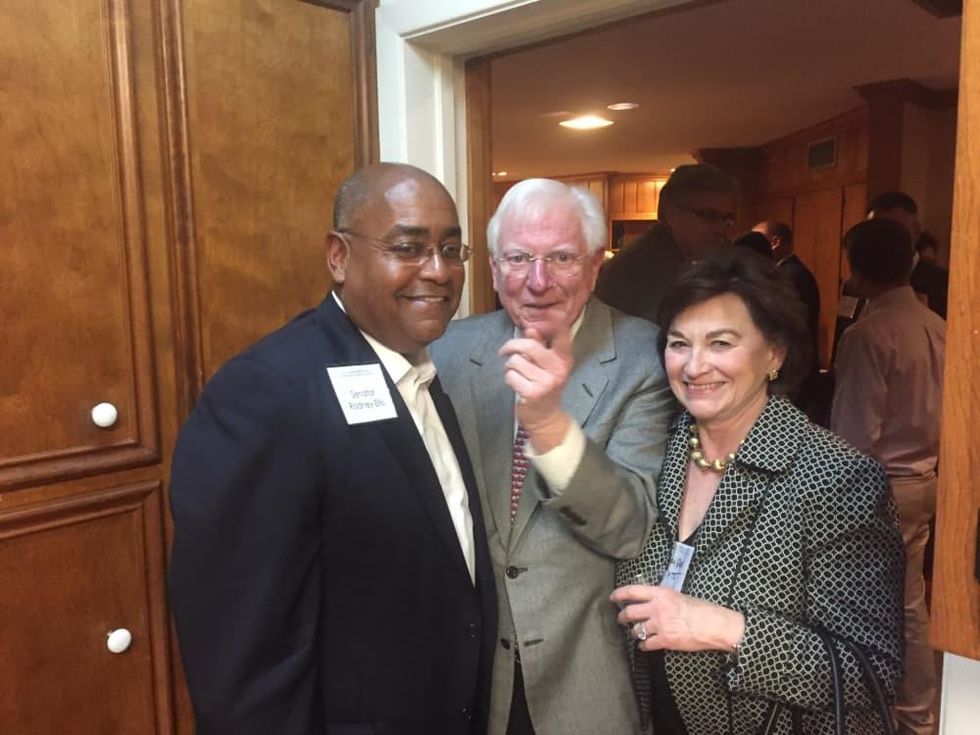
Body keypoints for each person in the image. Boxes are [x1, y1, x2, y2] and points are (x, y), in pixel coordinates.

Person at [168, 163, 497, 734]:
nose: (439, 272)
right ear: (338, 257)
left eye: (451, 249)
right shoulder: (267, 392)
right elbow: (240, 654)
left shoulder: (422, 372)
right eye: (408, 247)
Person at [612, 249, 904, 734]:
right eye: (679, 344)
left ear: (775, 353)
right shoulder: (655, 451)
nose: (694, 366)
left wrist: (725, 628)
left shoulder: (835, 478)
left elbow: (871, 672)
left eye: (721, 343)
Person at [431, 178, 676, 734]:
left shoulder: (644, 357)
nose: (537, 281)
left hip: (581, 673)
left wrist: (546, 426)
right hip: (469, 674)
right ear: (493, 269)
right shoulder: (446, 352)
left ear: (594, 265)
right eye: (519, 258)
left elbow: (629, 526)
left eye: (561, 257)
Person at [832, 218, 945, 735]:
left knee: (866, 607)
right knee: (911, 603)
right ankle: (918, 715)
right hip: (927, 477)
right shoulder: (937, 325)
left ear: (857, 268)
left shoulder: (868, 334)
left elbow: (855, 435)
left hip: (879, 486)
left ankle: (873, 714)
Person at [595, 163, 737, 323]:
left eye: (727, 219)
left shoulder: (666, 255)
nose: (721, 229)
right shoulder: (648, 269)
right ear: (670, 213)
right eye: (708, 215)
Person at [753, 220, 823, 418]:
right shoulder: (788, 272)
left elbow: (786, 328)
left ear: (775, 241)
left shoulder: (790, 275)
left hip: (793, 371)